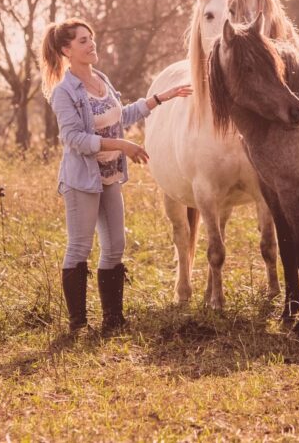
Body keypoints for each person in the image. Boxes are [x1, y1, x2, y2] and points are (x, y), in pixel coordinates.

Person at [40, 18, 191, 333]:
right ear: (66, 50)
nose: (91, 44)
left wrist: (164, 97)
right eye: (82, 40)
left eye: (91, 38)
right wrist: (121, 145)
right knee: (80, 246)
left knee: (115, 245)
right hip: (82, 180)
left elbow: (121, 116)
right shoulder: (64, 91)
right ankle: (78, 324)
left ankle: (112, 319)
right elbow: (74, 139)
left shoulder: (101, 80)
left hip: (109, 177)